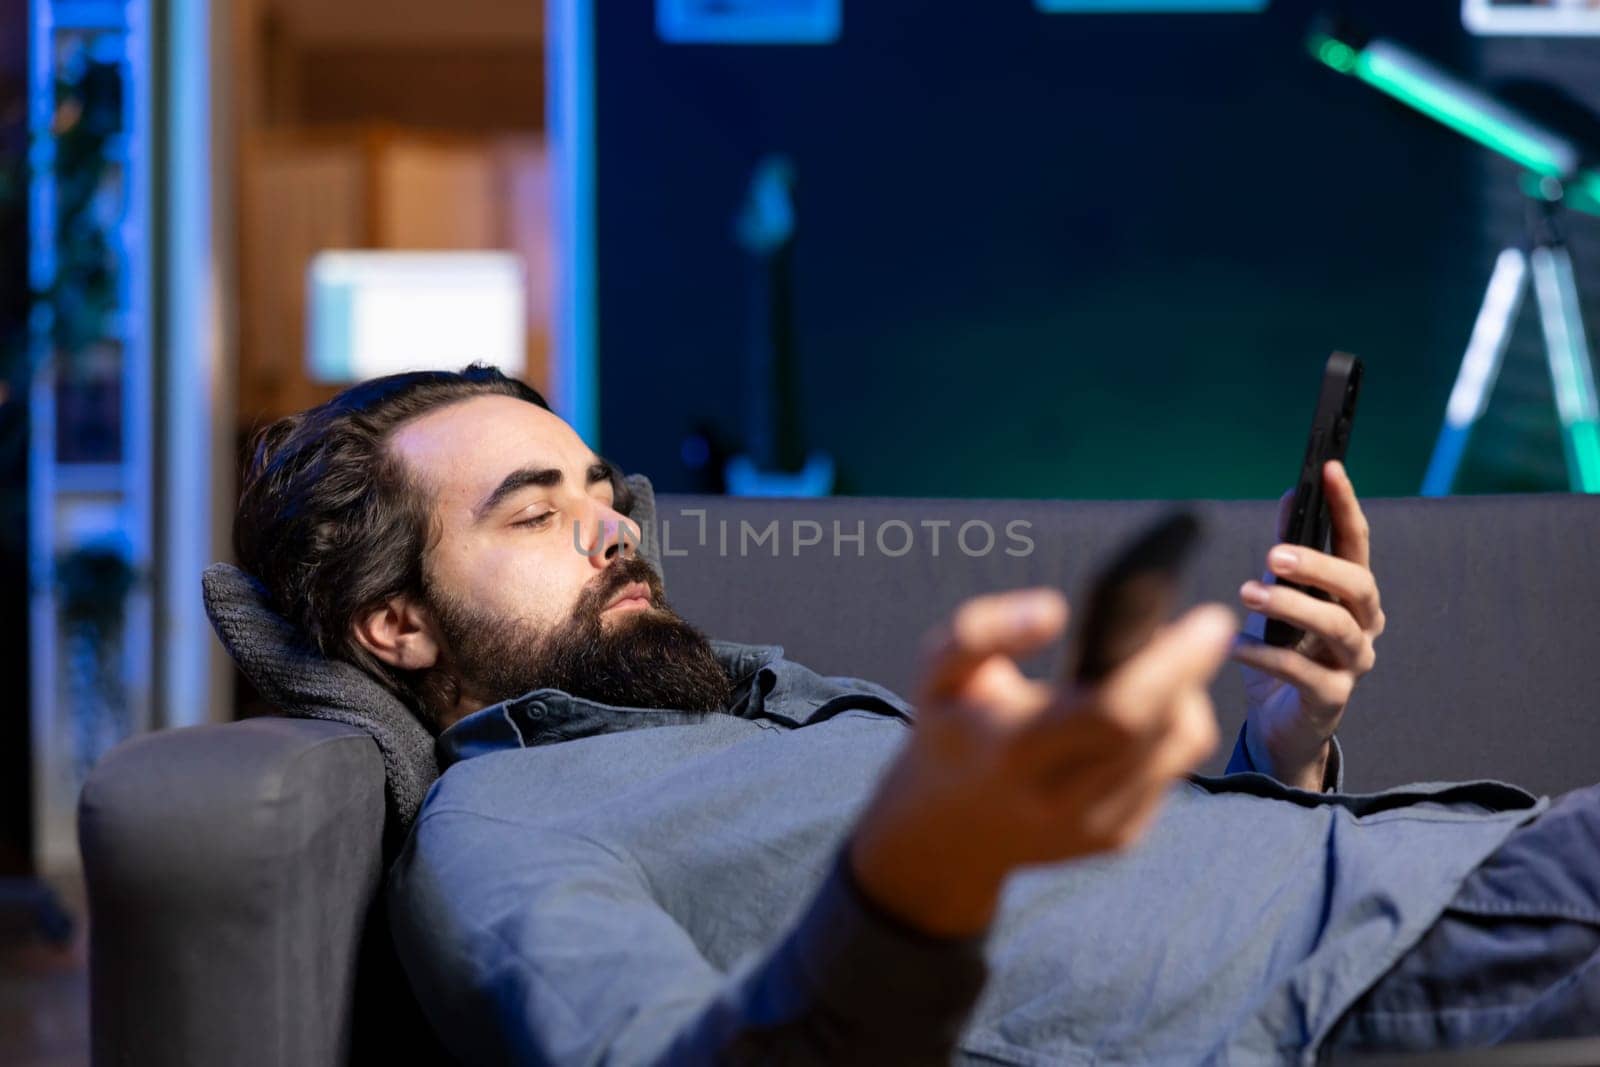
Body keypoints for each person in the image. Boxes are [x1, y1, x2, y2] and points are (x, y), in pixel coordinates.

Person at [233, 365, 1599, 1064]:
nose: (610, 531)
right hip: (1377, 954)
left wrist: (1286, 739)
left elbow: (1130, 904)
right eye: (534, 512)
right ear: (395, 624)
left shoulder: (740, 708)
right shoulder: (504, 833)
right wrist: (912, 886)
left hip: (1422, 876)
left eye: (601, 492)